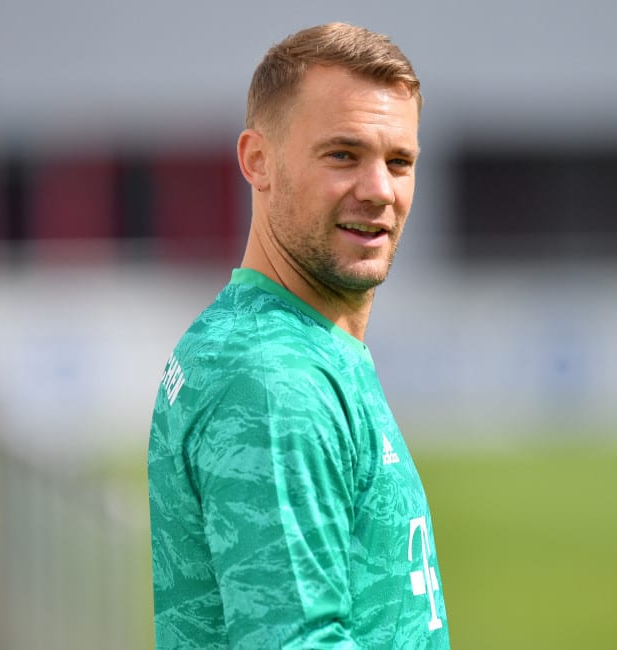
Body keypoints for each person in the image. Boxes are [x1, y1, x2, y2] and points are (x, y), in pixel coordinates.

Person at [148, 22, 450, 648]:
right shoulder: (272, 378)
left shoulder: (286, 341)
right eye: (342, 154)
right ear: (258, 161)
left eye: (399, 162)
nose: (379, 191)